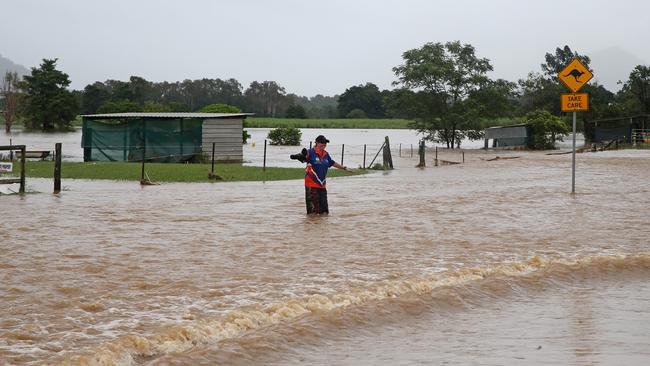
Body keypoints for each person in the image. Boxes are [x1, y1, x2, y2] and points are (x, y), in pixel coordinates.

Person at [295, 135, 353, 214]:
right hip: (311, 185)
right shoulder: (310, 152)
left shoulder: (326, 154)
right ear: (317, 143)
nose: (324, 145)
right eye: (322, 143)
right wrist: (299, 156)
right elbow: (303, 157)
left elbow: (332, 163)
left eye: (325, 143)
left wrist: (345, 168)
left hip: (322, 185)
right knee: (313, 211)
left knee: (324, 211)